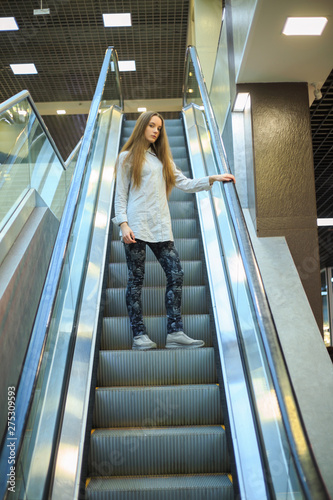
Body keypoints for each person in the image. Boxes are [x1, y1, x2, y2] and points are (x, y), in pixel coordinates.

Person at [112, 111, 235, 350]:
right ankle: (139, 336)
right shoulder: (126, 157)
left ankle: (175, 332)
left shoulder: (162, 160)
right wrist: (123, 224)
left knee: (176, 273)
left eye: (159, 127)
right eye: (152, 125)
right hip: (135, 227)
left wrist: (213, 178)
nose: (156, 130)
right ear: (142, 127)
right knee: (136, 280)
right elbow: (120, 195)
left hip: (161, 227)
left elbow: (185, 183)